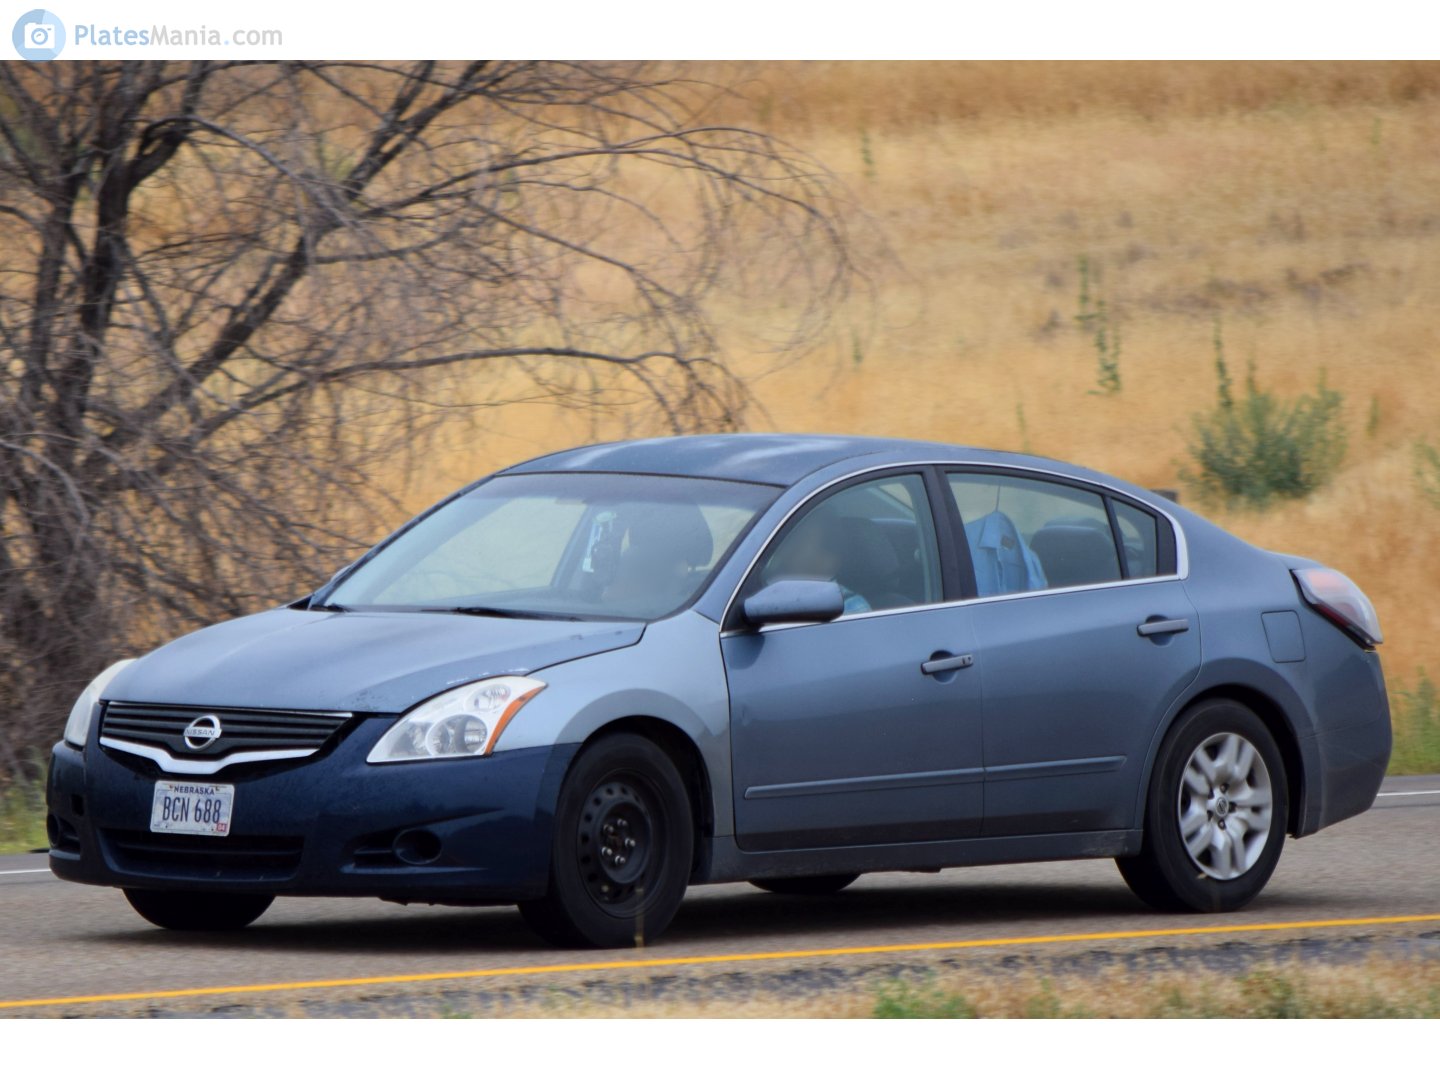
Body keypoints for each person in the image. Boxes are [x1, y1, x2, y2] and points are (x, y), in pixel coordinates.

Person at [765, 511, 872, 614]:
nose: (787, 543)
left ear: (826, 558)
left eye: (801, 538)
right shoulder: (761, 580)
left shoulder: (850, 607)